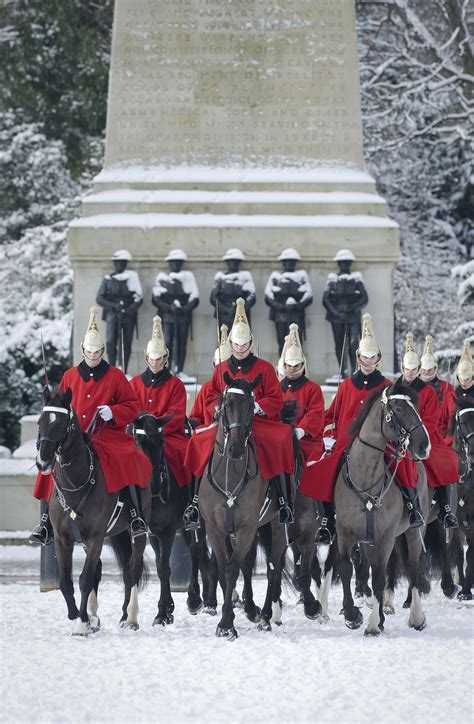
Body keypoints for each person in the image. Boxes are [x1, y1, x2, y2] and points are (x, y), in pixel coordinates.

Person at [29, 307, 151, 546]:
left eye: (97, 352)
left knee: (127, 457)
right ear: (82, 350)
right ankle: (45, 521)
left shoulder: (115, 375)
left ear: (102, 351)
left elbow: (133, 406)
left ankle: (135, 515)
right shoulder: (70, 375)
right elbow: (59, 405)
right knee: (49, 465)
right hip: (72, 437)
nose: (93, 355)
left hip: (105, 435)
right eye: (89, 351)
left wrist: (113, 412)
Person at [299, 314, 424, 545]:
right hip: (347, 442)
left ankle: (412, 506)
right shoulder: (346, 385)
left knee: (404, 462)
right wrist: (329, 437)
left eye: (373, 356)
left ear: (378, 358)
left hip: (383, 442)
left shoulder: (387, 386)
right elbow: (331, 416)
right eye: (365, 357)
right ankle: (327, 521)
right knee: (323, 469)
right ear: (358, 357)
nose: (369, 360)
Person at [183, 298, 295, 527]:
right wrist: (217, 407)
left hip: (257, 422)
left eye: (244, 344)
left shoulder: (264, 367)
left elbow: (276, 397)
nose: (240, 348)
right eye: (236, 344)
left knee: (280, 441)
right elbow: (212, 394)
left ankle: (284, 501)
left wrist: (256, 406)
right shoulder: (222, 368)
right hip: (227, 423)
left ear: (251, 343)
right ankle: (194, 502)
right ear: (231, 343)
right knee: (198, 443)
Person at [400, 332, 459, 529]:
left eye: (413, 369)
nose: (409, 372)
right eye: (407, 369)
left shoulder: (428, 392)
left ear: (418, 370)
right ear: (402, 368)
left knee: (444, 461)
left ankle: (445, 509)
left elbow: (431, 419)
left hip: (424, 436)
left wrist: (414, 435)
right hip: (398, 437)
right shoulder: (395, 389)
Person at [129, 316, 191, 490]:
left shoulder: (176, 384)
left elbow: (177, 414)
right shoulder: (134, 383)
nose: (155, 362)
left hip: (166, 435)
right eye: (152, 358)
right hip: (137, 435)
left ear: (165, 358)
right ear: (146, 358)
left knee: (184, 452)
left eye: (159, 359)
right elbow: (128, 409)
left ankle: (188, 498)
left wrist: (157, 427)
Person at [183, 325, 231, 528]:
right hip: (210, 434)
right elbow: (196, 415)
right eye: (218, 364)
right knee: (196, 455)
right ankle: (193, 501)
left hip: (234, 433)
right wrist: (191, 424)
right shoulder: (206, 388)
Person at [278, 323, 325, 468]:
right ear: (284, 366)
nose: (292, 369)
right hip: (279, 436)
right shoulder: (275, 387)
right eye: (289, 365)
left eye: (296, 365)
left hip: (304, 439)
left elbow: (315, 413)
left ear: (302, 366)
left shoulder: (313, 388)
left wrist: (302, 429)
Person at [151, 249, 199, 380]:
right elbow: (155, 299)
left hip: (182, 317)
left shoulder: (188, 277)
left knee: (181, 344)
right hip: (167, 317)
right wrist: (169, 308)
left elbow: (195, 298)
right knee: (167, 344)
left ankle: (179, 369)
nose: (175, 265)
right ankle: (167, 368)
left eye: (178, 262)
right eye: (173, 262)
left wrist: (183, 308)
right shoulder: (163, 278)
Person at [322, 249, 369, 377]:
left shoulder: (356, 278)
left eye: (347, 262)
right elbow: (326, 299)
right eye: (342, 262)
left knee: (354, 343)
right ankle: (342, 371)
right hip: (336, 317)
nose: (344, 265)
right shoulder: (332, 279)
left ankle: (355, 369)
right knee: (339, 344)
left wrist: (352, 308)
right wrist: (337, 312)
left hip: (352, 316)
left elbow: (364, 298)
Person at [96, 249, 143, 373]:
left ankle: (124, 369)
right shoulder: (108, 279)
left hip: (128, 316)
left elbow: (139, 298)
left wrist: (128, 310)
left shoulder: (132, 277)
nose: (119, 265)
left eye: (122, 262)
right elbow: (99, 298)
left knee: (125, 344)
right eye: (117, 262)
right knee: (111, 342)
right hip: (112, 315)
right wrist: (113, 306)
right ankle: (111, 368)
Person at [265, 248, 313, 353]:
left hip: (296, 314)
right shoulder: (276, 276)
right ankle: (282, 366)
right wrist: (280, 306)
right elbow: (268, 297)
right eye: (287, 262)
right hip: (280, 314)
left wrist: (297, 305)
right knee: (282, 342)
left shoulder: (301, 276)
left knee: (296, 342)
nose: (289, 264)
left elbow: (309, 296)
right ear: (283, 263)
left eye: (292, 262)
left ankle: (297, 367)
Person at [210, 249, 256, 331]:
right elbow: (213, 297)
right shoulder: (221, 277)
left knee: (241, 340)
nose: (233, 264)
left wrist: (240, 310)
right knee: (225, 339)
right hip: (225, 314)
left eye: (236, 261)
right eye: (231, 261)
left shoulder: (245, 277)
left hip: (241, 315)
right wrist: (225, 309)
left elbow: (252, 296)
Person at [419, 335, 455, 437]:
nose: (426, 373)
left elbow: (451, 414)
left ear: (435, 369)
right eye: (423, 370)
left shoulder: (446, 387)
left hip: (440, 433)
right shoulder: (414, 386)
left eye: (429, 370)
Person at [441, 340, 474, 446]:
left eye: (467, 378)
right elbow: (443, 421)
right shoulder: (450, 396)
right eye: (461, 378)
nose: (464, 382)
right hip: (451, 444)